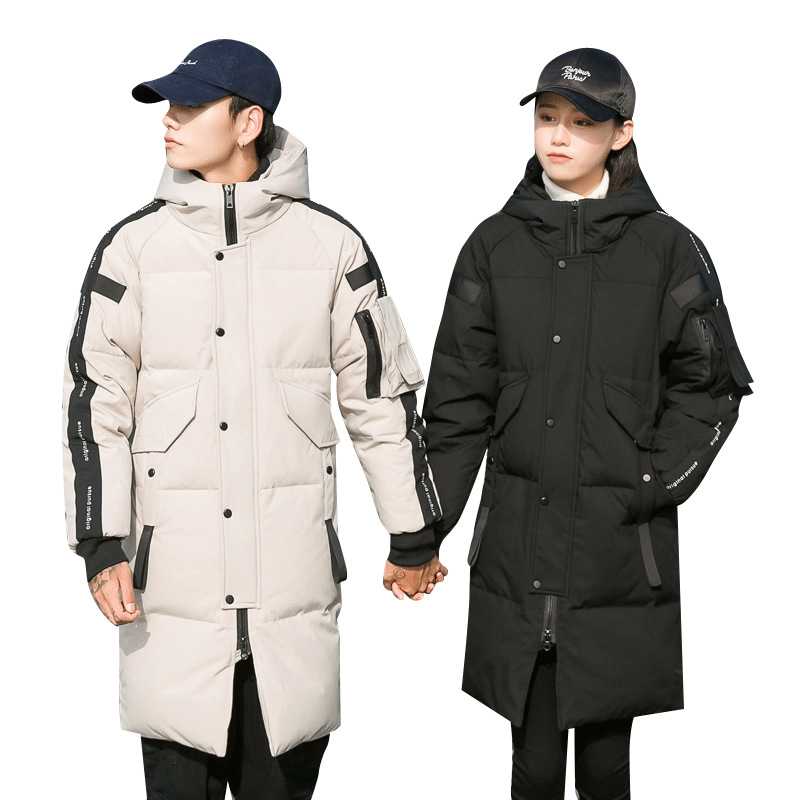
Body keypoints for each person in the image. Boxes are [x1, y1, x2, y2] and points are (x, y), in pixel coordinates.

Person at [62, 38, 445, 800]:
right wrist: (100, 544)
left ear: (248, 122)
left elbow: (380, 396)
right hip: (171, 603)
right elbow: (94, 402)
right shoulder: (132, 250)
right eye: (168, 107)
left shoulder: (332, 247)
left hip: (290, 601)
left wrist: (413, 532)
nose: (169, 121)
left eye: (189, 106)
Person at [421, 47, 752, 799]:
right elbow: (457, 403)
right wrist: (423, 531)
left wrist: (652, 481)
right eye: (547, 118)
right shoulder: (493, 246)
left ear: (621, 133)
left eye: (582, 122)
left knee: (606, 768)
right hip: (518, 546)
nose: (559, 136)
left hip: (616, 551)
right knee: (534, 765)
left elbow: (714, 385)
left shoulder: (668, 248)